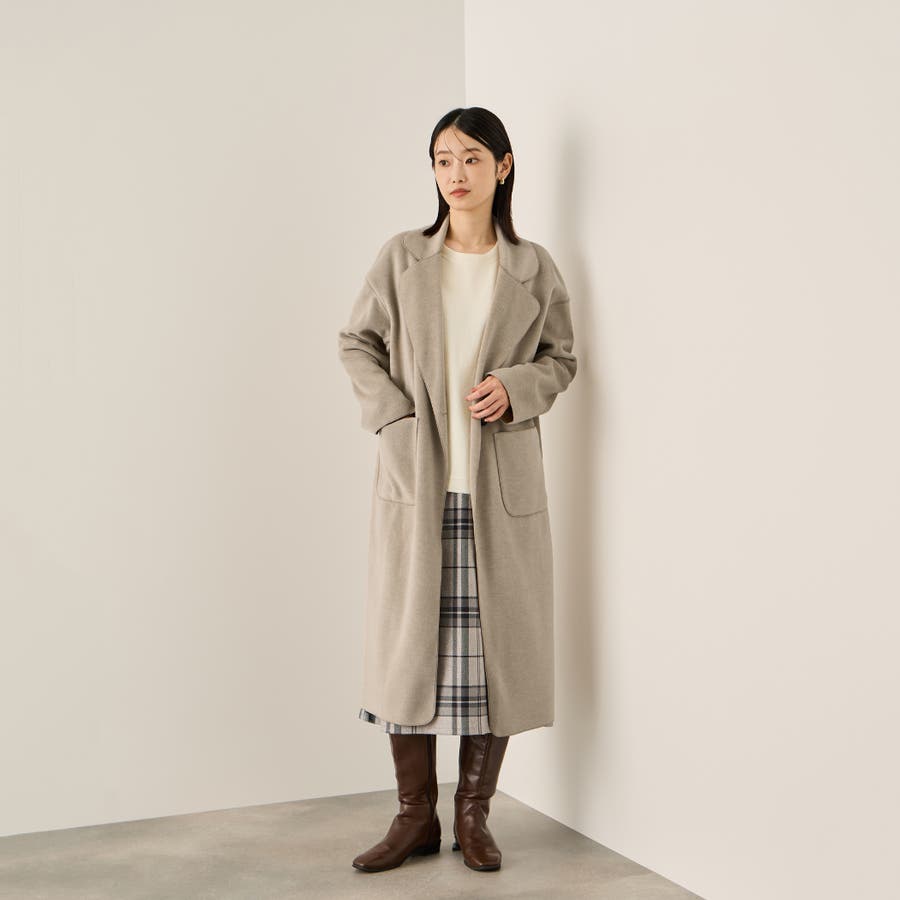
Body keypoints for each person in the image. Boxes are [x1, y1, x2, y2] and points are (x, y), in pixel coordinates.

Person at [337, 106, 577, 874]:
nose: (456, 174)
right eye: (443, 159)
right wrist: (395, 416)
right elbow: (357, 342)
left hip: (497, 486)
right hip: (420, 482)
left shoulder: (533, 267)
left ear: (503, 167)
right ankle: (414, 817)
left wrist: (516, 386)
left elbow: (561, 359)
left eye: (471, 158)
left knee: (492, 655)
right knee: (407, 651)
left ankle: (474, 815)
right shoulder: (403, 258)